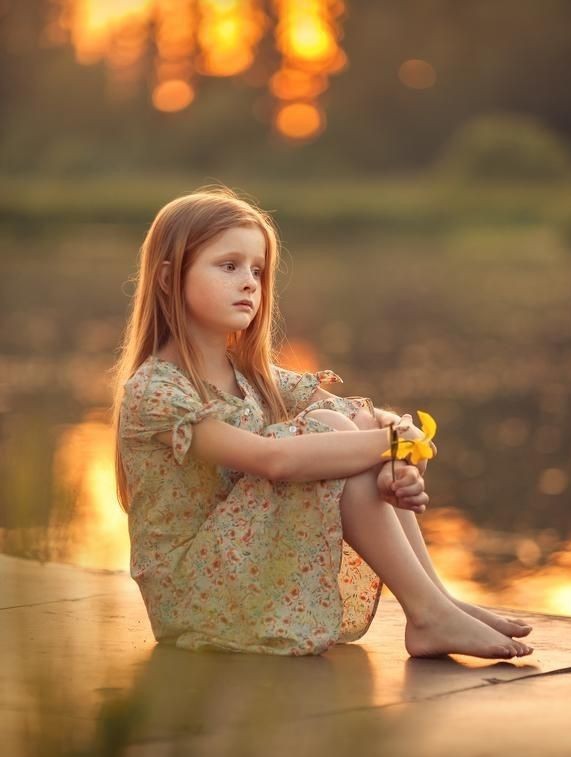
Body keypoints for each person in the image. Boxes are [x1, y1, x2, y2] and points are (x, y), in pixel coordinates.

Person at [110, 184, 534, 660]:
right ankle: (430, 612)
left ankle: (435, 602)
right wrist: (387, 444)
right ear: (168, 278)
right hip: (192, 594)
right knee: (329, 433)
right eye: (228, 266)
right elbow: (274, 461)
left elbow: (361, 415)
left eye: (257, 270)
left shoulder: (250, 376)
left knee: (344, 426)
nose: (250, 282)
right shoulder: (158, 391)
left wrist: (402, 447)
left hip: (242, 572)